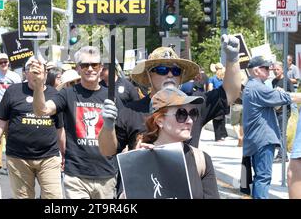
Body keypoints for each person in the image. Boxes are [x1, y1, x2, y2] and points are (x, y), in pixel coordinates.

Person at [99, 34, 242, 157]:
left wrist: (233, 59)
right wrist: (108, 126)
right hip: (142, 186)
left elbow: (230, 93)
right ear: (149, 75)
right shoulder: (131, 112)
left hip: (183, 185)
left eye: (176, 71)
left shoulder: (194, 104)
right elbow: (107, 151)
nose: (169, 74)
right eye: (161, 70)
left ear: (181, 77)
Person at [31, 46, 123, 199]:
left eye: (94, 65)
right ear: (78, 68)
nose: (90, 69)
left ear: (101, 68)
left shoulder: (111, 96)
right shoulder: (68, 94)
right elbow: (42, 111)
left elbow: (121, 137)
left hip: (106, 174)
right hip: (76, 175)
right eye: (85, 65)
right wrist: (39, 84)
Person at [0, 57, 63, 199]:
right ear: (26, 73)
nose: (35, 74)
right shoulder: (13, 91)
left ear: (45, 73)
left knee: (54, 197)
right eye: (31, 70)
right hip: (19, 158)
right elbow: (0, 124)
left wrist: (65, 154)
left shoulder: (54, 94)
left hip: (49, 158)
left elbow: (60, 128)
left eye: (39, 70)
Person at [130, 87, 219, 199]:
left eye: (193, 113)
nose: (190, 120)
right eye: (181, 114)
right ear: (160, 121)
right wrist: (135, 167)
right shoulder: (140, 159)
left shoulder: (201, 159)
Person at [242, 56, 301, 199]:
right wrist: (281, 93)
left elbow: (276, 102)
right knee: (263, 178)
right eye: (266, 68)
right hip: (263, 139)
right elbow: (287, 98)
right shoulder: (258, 87)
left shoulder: (251, 86)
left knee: (259, 177)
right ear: (256, 71)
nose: (270, 71)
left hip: (256, 138)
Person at [0, 52, 22, 177]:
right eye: (0, 62)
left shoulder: (15, 76)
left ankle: (11, 165)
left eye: (5, 62)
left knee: (11, 139)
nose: (3, 64)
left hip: (13, 111)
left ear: (8, 62)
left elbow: (19, 92)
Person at [271, 61, 293, 162]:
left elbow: (292, 95)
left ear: (282, 69)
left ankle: (282, 155)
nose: (276, 71)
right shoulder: (273, 81)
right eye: (274, 69)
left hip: (285, 111)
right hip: (276, 110)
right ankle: (281, 154)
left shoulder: (287, 81)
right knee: (277, 132)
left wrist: (283, 92)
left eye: (277, 69)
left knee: (281, 132)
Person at [208, 62, 228, 142]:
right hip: (224, 99)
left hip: (216, 99)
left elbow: (210, 89)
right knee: (222, 117)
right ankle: (223, 135)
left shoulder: (212, 78)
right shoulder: (224, 78)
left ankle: (218, 137)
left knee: (216, 118)